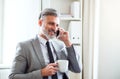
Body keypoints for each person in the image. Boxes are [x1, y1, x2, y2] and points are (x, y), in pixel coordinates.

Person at [9, 8, 81, 79]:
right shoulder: (24, 46)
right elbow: (13, 77)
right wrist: (41, 73)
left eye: (57, 25)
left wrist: (67, 42)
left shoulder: (61, 45)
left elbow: (77, 69)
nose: (55, 29)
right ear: (40, 23)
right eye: (51, 24)